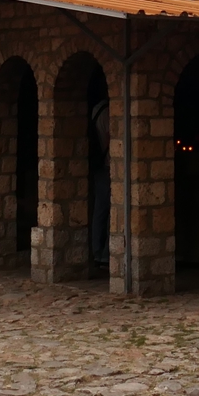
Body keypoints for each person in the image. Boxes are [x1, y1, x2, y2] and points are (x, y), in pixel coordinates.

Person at [89, 96, 111, 269]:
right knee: (110, 210)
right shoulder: (109, 112)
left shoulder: (95, 110)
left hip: (98, 164)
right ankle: (105, 253)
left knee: (99, 209)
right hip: (108, 165)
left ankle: (97, 249)